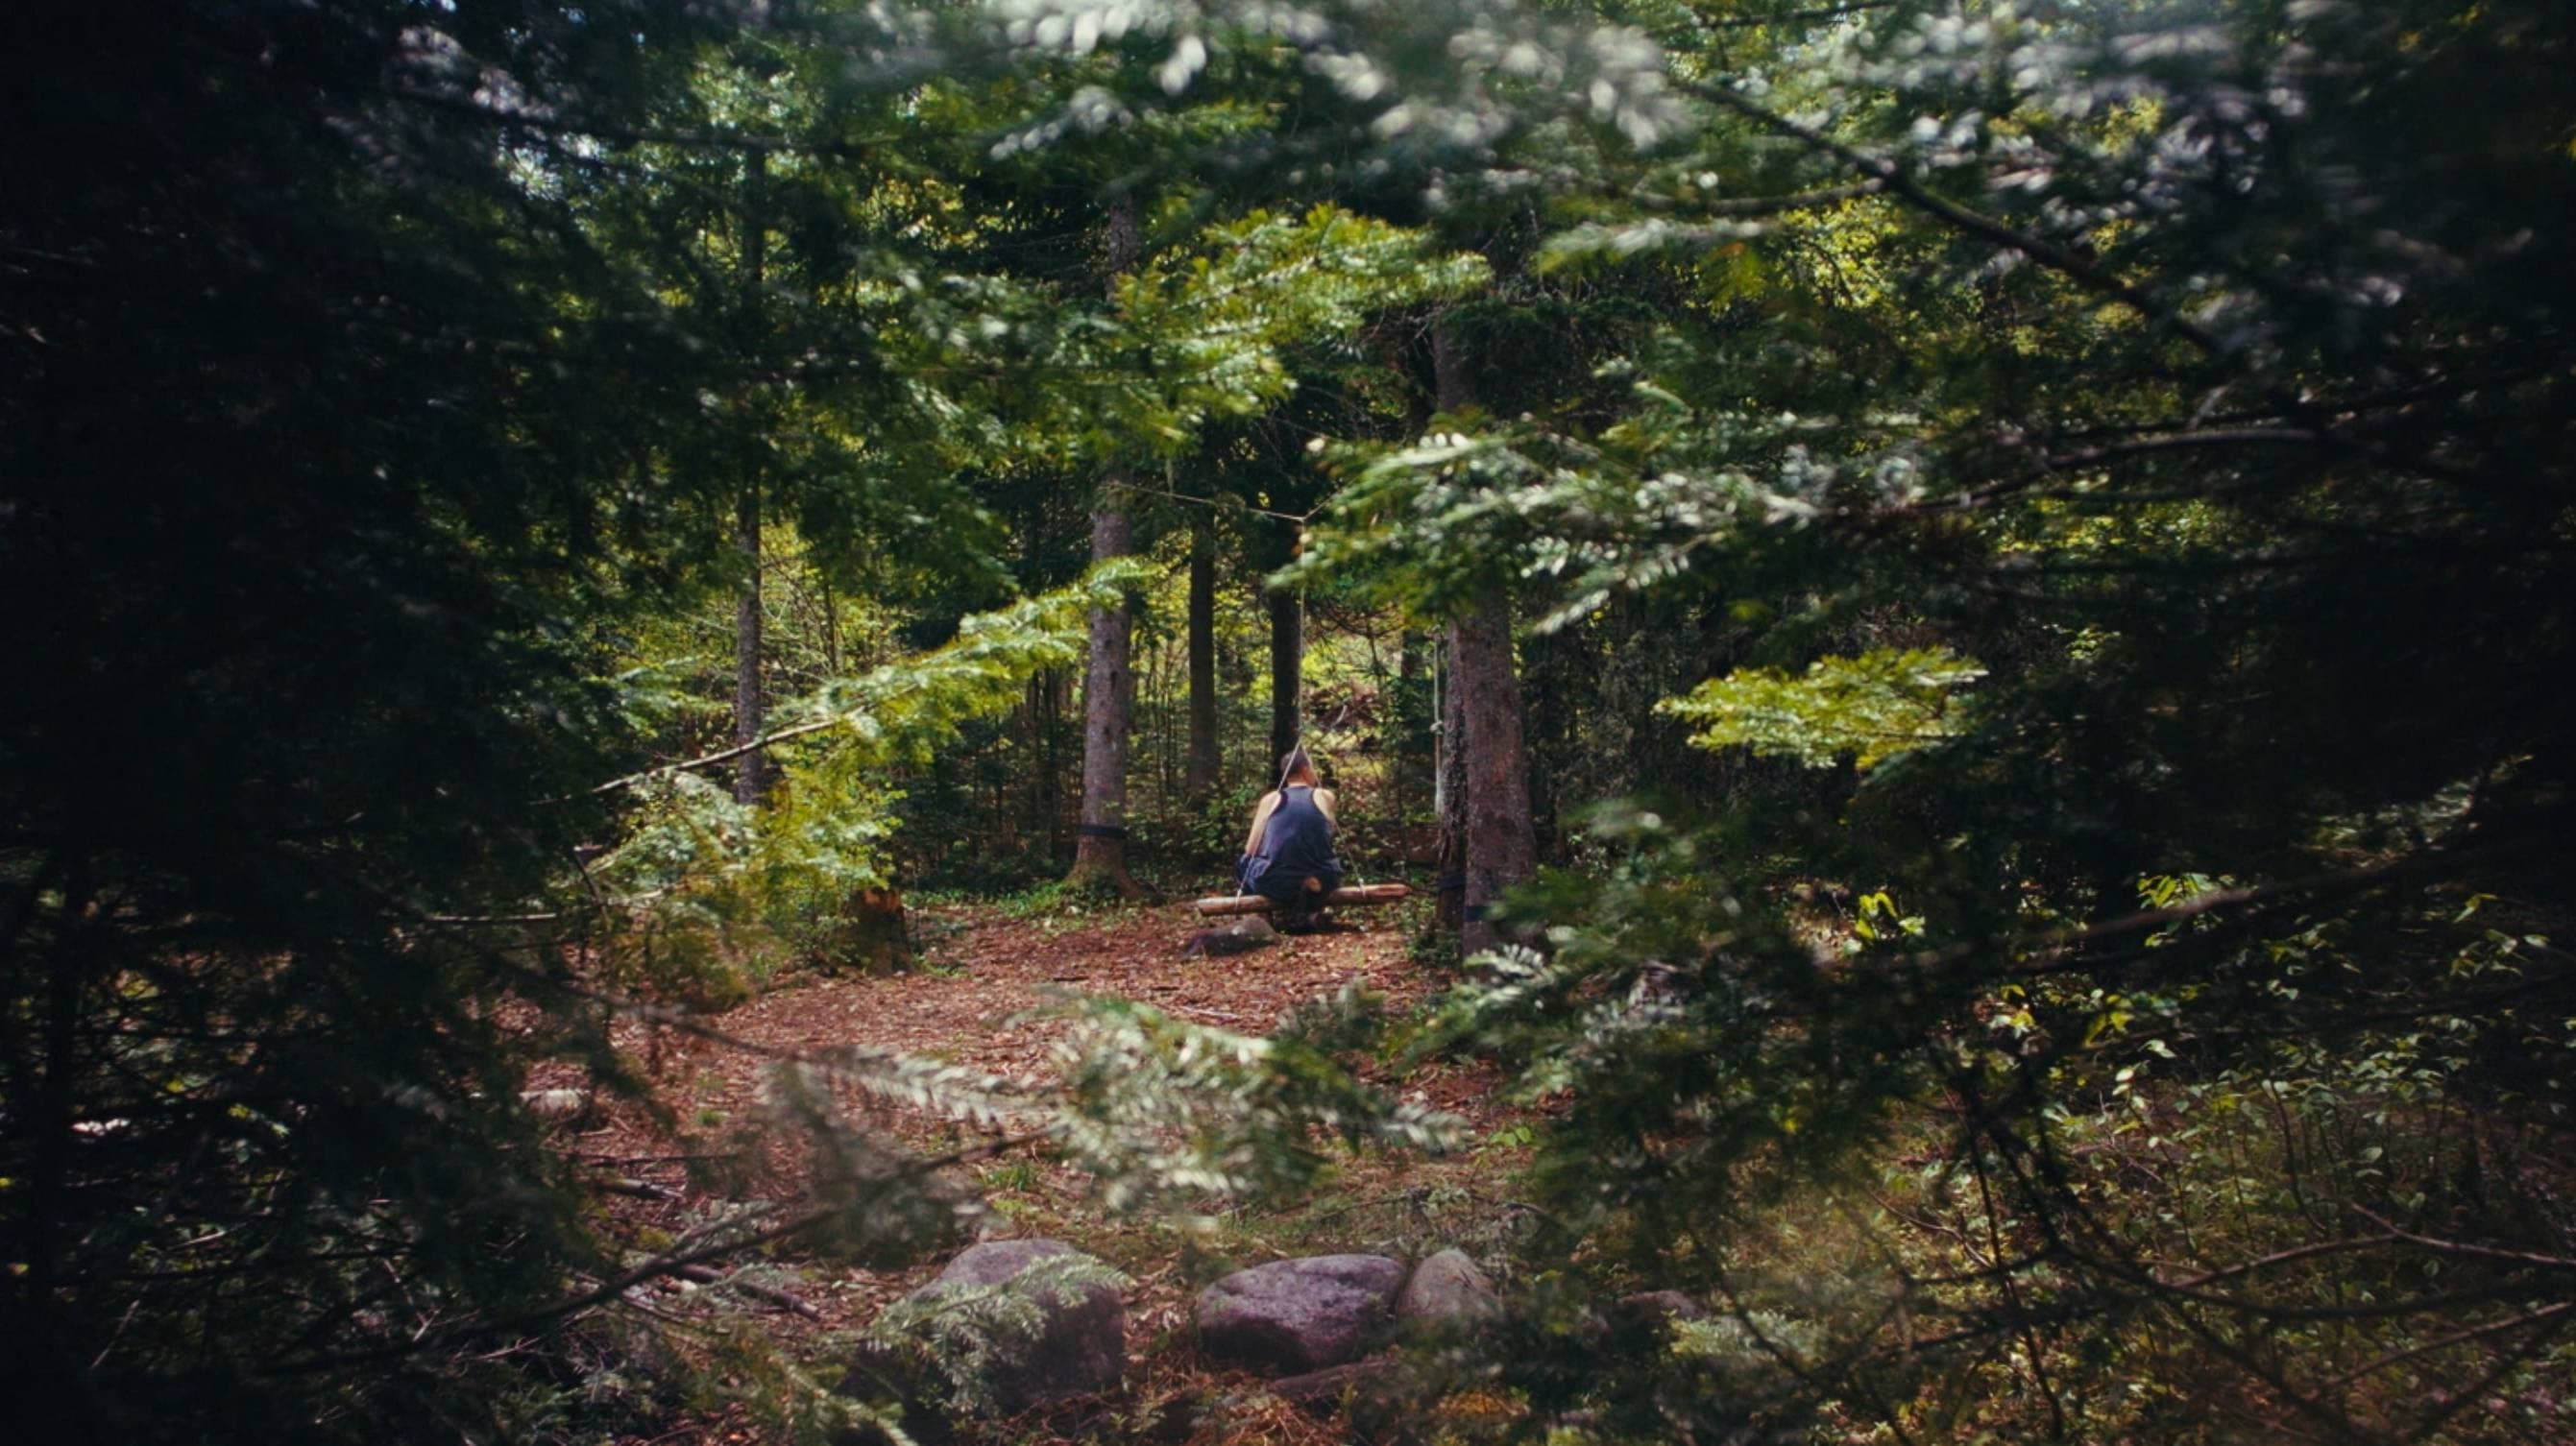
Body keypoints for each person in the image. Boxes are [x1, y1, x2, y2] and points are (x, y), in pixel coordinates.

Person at [1235, 745, 1345, 932]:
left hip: (1279, 880)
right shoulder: (1325, 796)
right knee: (1327, 866)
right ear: (1305, 770)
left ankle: (1268, 915)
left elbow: (1251, 849)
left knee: (1243, 863)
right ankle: (1308, 907)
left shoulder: (1271, 800)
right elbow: (1328, 834)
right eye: (1312, 767)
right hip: (1322, 875)